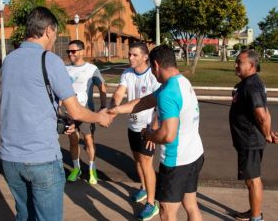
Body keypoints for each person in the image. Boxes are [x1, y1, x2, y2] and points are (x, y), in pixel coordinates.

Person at [0, 7, 112, 221]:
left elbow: (28, 101)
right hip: (41, 159)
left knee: (24, 215)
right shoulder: (50, 60)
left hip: (10, 159)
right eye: (56, 34)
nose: (55, 40)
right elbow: (76, 110)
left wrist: (59, 119)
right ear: (49, 30)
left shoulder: (9, 61)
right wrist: (101, 117)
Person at [109, 45, 205, 221]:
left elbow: (168, 135)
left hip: (176, 162)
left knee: (166, 212)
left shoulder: (168, 93)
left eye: (153, 70)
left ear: (155, 65)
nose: (152, 74)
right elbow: (145, 101)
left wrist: (149, 135)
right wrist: (115, 110)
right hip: (194, 155)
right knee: (191, 205)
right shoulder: (180, 81)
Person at [229, 49, 278, 221]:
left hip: (249, 141)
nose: (236, 65)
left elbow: (261, 113)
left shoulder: (251, 85)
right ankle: (254, 211)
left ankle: (256, 218)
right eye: (236, 61)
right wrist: (268, 131)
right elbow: (264, 113)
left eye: (240, 62)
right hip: (248, 139)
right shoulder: (249, 83)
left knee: (253, 181)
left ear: (251, 65)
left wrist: (267, 134)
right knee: (250, 180)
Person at [110, 42, 161, 220]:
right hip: (132, 125)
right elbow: (118, 93)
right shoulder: (127, 73)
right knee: (138, 160)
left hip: (148, 127)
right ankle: (144, 188)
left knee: (147, 164)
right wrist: (112, 110)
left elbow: (159, 106)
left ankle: (152, 203)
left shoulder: (153, 77)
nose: (130, 58)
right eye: (129, 54)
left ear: (145, 57)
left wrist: (153, 131)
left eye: (134, 55)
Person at [64, 40, 107, 184]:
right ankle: (76, 169)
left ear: (82, 52)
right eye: (68, 51)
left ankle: (92, 169)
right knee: (73, 141)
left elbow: (102, 88)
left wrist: (103, 106)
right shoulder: (65, 69)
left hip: (85, 111)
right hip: (69, 112)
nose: (70, 54)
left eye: (73, 51)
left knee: (89, 140)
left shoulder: (91, 68)